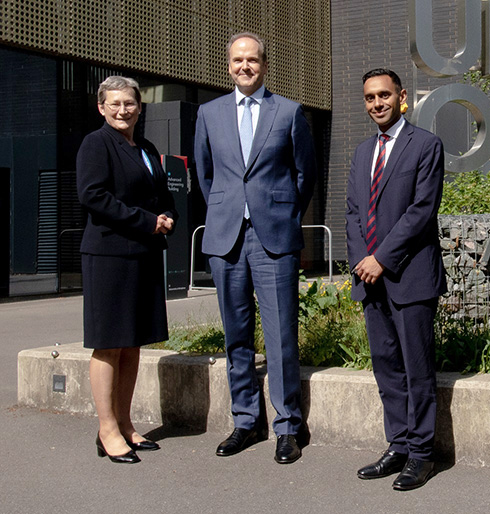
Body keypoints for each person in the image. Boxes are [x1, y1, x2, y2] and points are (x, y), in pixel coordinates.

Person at [194, 32, 317, 464]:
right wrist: (231, 210)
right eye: (237, 60)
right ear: (228, 65)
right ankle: (245, 421)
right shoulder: (209, 114)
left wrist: (279, 213)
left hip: (274, 238)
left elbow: (305, 175)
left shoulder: (289, 111)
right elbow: (206, 178)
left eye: (252, 60)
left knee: (282, 334)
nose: (244, 66)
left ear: (265, 65)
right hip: (226, 237)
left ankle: (287, 426)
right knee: (236, 337)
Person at [346, 68, 446, 491]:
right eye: (370, 98)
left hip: (410, 276)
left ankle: (422, 455)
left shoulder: (425, 145)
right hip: (370, 279)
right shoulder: (361, 152)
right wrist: (361, 262)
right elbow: (353, 214)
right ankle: (399, 444)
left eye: (384, 95)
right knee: (386, 368)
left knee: (417, 369)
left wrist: (381, 259)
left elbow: (421, 212)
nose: (377, 104)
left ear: (401, 97)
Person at [77, 75, 177, 464]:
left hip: (143, 254)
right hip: (109, 256)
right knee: (108, 343)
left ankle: (125, 423)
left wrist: (166, 214)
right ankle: (106, 430)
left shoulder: (147, 147)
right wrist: (146, 221)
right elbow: (93, 195)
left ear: (140, 107)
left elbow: (161, 194)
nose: (123, 110)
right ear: (102, 107)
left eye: (130, 103)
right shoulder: (95, 144)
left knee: (132, 343)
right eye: (114, 104)